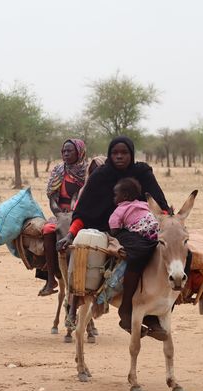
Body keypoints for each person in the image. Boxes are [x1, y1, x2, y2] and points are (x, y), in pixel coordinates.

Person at [57, 136, 169, 339]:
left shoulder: (142, 173)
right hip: (107, 230)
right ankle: (122, 309)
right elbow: (83, 213)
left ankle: (157, 310)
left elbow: (160, 205)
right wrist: (71, 234)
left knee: (168, 254)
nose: (119, 156)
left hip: (141, 228)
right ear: (110, 154)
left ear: (131, 154)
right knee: (127, 252)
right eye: (115, 153)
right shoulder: (101, 176)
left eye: (124, 153)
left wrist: (172, 225)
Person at [38, 139, 88, 297]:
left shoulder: (88, 172)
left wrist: (75, 214)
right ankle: (50, 278)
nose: (65, 154)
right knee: (47, 229)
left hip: (82, 214)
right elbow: (52, 199)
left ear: (79, 152)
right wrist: (59, 214)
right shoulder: (58, 170)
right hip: (60, 213)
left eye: (69, 151)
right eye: (63, 151)